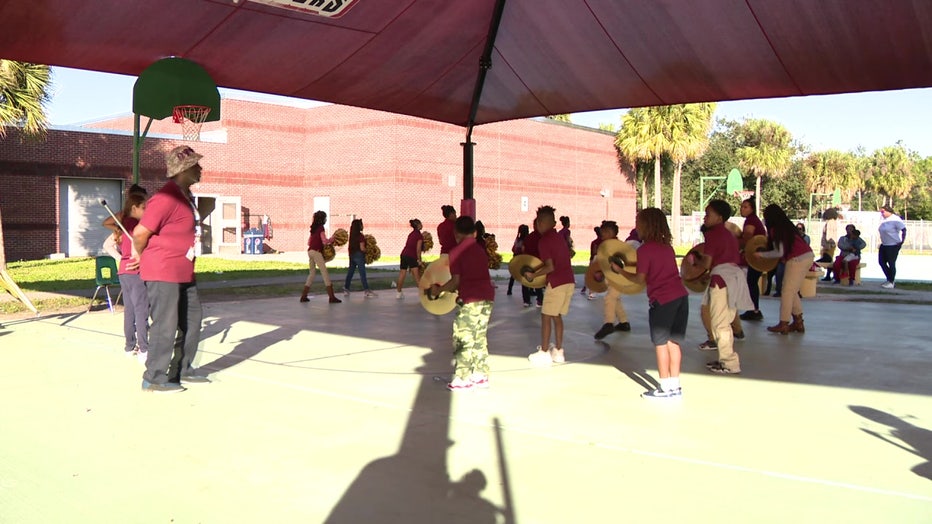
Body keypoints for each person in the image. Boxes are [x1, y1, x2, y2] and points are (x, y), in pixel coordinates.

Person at [132, 145, 210, 393]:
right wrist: (141, 256)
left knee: (192, 321)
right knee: (165, 324)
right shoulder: (166, 197)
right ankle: (153, 378)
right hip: (163, 271)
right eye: (196, 165)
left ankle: (182, 369)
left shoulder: (185, 196)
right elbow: (140, 232)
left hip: (184, 271)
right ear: (184, 169)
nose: (200, 168)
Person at [613, 208, 688, 398]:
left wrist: (620, 271)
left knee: (661, 344)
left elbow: (640, 279)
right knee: (673, 343)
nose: (636, 225)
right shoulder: (667, 248)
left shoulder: (645, 249)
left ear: (646, 225)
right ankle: (675, 385)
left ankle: (663, 387)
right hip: (680, 297)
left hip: (662, 300)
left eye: (638, 222)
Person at [429, 216, 495, 391]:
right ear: (474, 232)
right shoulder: (480, 249)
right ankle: (480, 375)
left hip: (471, 300)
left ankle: (463, 378)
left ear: (456, 233)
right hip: (487, 298)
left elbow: (456, 281)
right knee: (479, 337)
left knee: (463, 337)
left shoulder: (456, 253)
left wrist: (439, 290)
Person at [700, 200, 753, 375]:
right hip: (733, 278)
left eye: (708, 214)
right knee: (725, 321)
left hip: (721, 279)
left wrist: (694, 263)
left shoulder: (713, 234)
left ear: (719, 217)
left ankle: (730, 363)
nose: (705, 217)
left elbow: (706, 262)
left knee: (719, 323)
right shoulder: (728, 234)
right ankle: (725, 357)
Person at [752, 204, 815, 334]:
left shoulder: (776, 229)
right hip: (807, 256)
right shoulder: (787, 227)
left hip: (797, 259)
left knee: (786, 292)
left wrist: (761, 254)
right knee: (792, 291)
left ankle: (783, 323)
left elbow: (779, 252)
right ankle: (798, 322)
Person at [525, 206, 574, 366]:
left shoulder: (544, 241)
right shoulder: (559, 237)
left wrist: (533, 275)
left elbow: (550, 266)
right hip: (568, 281)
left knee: (546, 316)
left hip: (556, 282)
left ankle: (544, 352)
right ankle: (559, 351)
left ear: (539, 223)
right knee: (556, 316)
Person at [117, 193, 149, 363]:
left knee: (129, 310)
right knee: (141, 310)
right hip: (135, 270)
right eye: (143, 208)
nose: (146, 211)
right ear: (134, 208)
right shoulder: (136, 226)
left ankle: (129, 347)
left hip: (123, 271)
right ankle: (144, 349)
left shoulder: (123, 225)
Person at [593, 221, 631, 339]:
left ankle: (608, 323)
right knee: (615, 299)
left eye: (603, 232)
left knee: (610, 298)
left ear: (609, 232)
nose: (601, 234)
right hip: (615, 278)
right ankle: (624, 322)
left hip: (619, 278)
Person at [300, 210, 342, 304]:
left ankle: (304, 296)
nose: (326, 219)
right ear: (322, 219)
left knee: (312, 273)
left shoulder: (313, 229)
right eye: (325, 218)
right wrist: (333, 239)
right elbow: (324, 241)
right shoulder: (321, 228)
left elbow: (309, 242)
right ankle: (331, 297)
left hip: (310, 251)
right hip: (316, 252)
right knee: (324, 273)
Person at [738, 197, 766, 321]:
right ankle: (753, 309)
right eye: (742, 206)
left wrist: (739, 245)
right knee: (751, 282)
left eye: (745, 207)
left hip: (756, 256)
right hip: (757, 256)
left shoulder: (751, 221)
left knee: (751, 282)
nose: (742, 209)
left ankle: (754, 310)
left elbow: (748, 237)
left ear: (752, 209)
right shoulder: (753, 220)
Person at [343, 218, 377, 298]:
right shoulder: (360, 236)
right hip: (359, 255)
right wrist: (368, 251)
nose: (363, 226)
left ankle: (346, 289)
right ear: (359, 226)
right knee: (362, 273)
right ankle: (366, 290)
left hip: (352, 255)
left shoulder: (352, 236)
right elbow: (362, 248)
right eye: (361, 224)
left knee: (350, 272)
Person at [878, 205, 906, 289]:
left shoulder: (895, 219)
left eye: (883, 212)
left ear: (888, 211)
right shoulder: (884, 220)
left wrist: (902, 241)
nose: (882, 214)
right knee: (881, 262)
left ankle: (891, 281)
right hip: (884, 244)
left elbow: (904, 230)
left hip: (893, 244)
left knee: (891, 262)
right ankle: (889, 278)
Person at [396, 218, 424, 299]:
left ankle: (398, 293)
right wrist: (419, 260)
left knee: (402, 273)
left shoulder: (411, 234)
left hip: (404, 254)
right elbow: (418, 249)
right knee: (416, 276)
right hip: (412, 256)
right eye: (421, 223)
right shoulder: (419, 235)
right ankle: (423, 295)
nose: (422, 225)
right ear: (418, 225)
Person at [521, 218, 545, 308]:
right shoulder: (543, 237)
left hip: (527, 262)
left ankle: (526, 301)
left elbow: (523, 249)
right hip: (539, 263)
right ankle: (539, 300)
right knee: (538, 282)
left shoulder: (528, 237)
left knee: (525, 281)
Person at [507, 225, 529, 296]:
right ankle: (528, 293)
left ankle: (509, 290)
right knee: (526, 275)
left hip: (516, 258)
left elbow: (513, 249)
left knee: (513, 275)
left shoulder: (517, 239)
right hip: (523, 259)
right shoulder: (526, 240)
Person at [580, 225, 602, 298]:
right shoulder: (604, 241)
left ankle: (586, 288)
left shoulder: (594, 242)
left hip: (594, 258)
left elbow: (593, 252)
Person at [819, 208, 841, 282]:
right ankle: (829, 275)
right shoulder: (834, 222)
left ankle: (831, 274)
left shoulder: (830, 223)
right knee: (829, 260)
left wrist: (827, 245)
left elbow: (829, 235)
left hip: (828, 245)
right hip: (831, 244)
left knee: (826, 260)